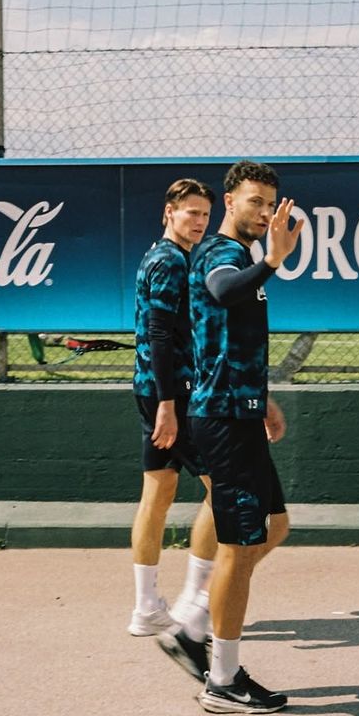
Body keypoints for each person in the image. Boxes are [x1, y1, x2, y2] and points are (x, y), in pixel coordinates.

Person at [159, 159, 303, 714]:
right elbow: (222, 292)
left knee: (276, 526)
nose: (264, 212)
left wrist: (261, 397)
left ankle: (192, 623)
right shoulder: (222, 253)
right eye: (254, 202)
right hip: (221, 419)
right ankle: (223, 681)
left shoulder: (242, 256)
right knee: (238, 548)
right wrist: (272, 259)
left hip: (240, 410)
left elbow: (225, 336)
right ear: (229, 202)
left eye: (270, 204)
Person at [129, 178, 218, 670]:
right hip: (173, 396)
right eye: (191, 212)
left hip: (155, 390)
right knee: (223, 488)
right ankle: (191, 606)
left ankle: (147, 608)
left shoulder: (160, 256)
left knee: (158, 493)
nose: (199, 221)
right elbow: (160, 334)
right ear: (169, 212)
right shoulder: (170, 261)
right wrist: (168, 402)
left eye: (205, 214)